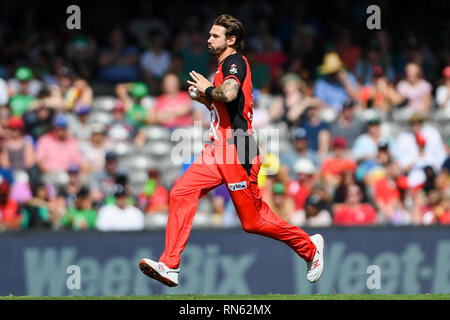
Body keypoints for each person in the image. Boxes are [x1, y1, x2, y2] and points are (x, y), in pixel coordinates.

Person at [139, 14, 324, 287]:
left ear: (231, 40)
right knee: (181, 191)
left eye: (215, 35)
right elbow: (223, 105)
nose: (209, 39)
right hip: (218, 148)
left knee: (253, 221)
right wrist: (205, 98)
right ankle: (170, 264)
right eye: (210, 34)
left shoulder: (235, 62)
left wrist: (209, 89)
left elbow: (229, 94)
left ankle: (309, 248)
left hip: (239, 148)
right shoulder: (222, 66)